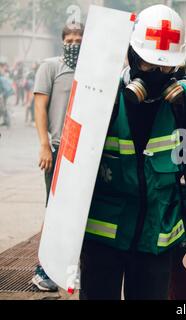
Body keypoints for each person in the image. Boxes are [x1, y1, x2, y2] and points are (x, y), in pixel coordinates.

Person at [79, 5, 186, 300]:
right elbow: (74, 161)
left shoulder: (185, 101)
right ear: (131, 55)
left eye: (167, 68)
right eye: (150, 65)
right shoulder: (104, 96)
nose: (158, 75)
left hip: (157, 236)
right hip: (105, 236)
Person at [32, 23, 84, 292]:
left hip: (83, 154)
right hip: (57, 150)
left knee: (79, 213)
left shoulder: (89, 70)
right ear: (63, 40)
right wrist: (44, 145)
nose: (74, 43)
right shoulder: (50, 67)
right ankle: (43, 268)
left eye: (79, 39)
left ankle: (68, 267)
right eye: (70, 39)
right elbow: (39, 107)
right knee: (54, 210)